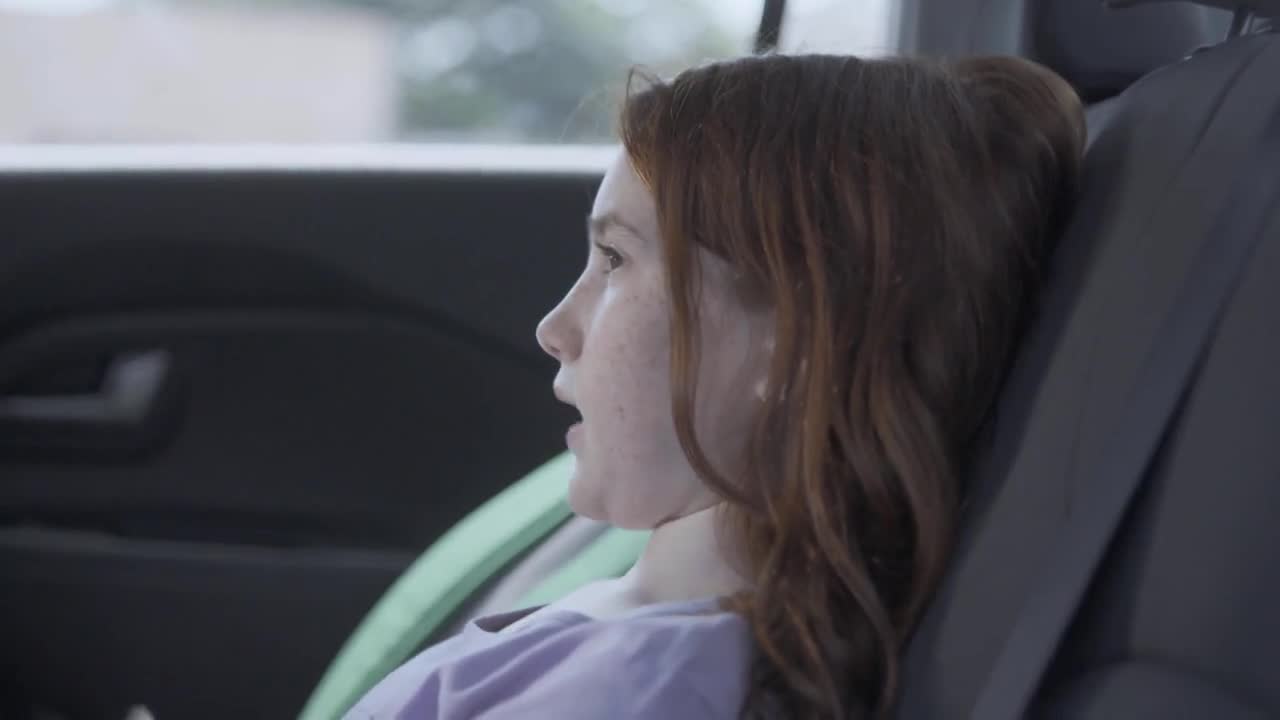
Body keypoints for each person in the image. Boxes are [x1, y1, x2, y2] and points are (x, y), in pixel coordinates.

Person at [346, 52, 1086, 720]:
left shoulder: (642, 693)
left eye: (614, 259)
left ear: (792, 343)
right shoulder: (636, 638)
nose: (553, 328)